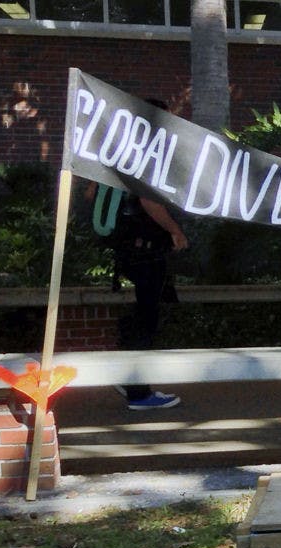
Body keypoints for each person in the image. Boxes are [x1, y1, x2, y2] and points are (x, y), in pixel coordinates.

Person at [84, 102, 189, 410]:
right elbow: (149, 202)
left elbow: (91, 194)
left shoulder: (115, 151)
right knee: (147, 318)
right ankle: (139, 392)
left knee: (140, 316)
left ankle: (128, 377)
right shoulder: (147, 154)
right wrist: (176, 231)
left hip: (125, 249)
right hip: (148, 250)